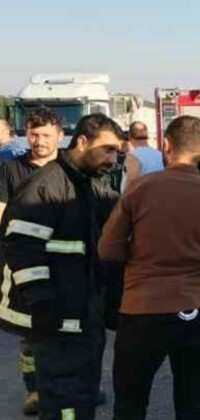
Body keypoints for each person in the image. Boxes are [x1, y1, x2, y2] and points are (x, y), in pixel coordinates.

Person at [98, 115, 200, 420]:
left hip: (141, 312)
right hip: (193, 312)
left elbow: (107, 249)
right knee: (190, 406)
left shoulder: (138, 190)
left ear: (166, 145)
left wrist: (141, 252)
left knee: (129, 407)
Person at [2, 113, 123, 420]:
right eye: (107, 149)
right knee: (64, 403)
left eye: (117, 152)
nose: (113, 158)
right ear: (82, 141)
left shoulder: (86, 184)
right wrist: (44, 304)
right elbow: (21, 248)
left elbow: (121, 209)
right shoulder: (45, 188)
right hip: (58, 318)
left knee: (81, 395)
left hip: (83, 314)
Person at [0, 107, 64, 416]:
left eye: (45, 135)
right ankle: (35, 389)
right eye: (33, 134)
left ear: (59, 136)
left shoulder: (68, 170)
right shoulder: (10, 170)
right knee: (30, 336)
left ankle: (67, 385)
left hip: (64, 267)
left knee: (67, 333)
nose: (38, 140)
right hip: (24, 266)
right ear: (26, 133)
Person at [123, 121, 163, 187]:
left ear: (129, 136)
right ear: (147, 136)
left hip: (140, 196)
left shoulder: (132, 156)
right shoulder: (160, 155)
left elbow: (130, 184)